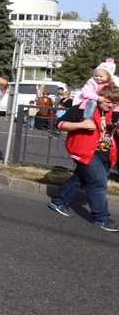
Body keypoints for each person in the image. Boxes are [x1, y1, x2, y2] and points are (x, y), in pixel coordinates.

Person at [47, 85, 119, 232]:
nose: (111, 104)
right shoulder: (84, 108)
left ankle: (59, 201)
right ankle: (101, 217)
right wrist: (82, 125)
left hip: (107, 154)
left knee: (80, 179)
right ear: (100, 97)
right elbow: (60, 124)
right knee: (99, 183)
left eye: (115, 102)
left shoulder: (116, 113)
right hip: (85, 152)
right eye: (108, 100)